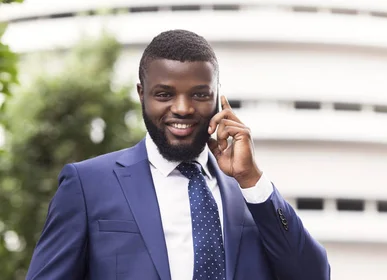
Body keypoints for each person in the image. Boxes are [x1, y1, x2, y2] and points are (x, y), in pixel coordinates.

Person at [25, 29, 330, 280]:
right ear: (141, 93)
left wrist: (251, 180)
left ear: (218, 97)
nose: (183, 108)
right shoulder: (87, 185)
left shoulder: (251, 195)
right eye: (164, 94)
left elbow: (313, 275)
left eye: (199, 94)